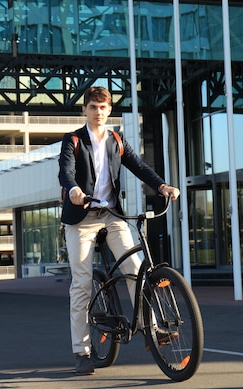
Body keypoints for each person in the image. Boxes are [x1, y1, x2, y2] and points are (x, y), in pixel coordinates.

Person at [58, 86, 180, 376]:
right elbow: (66, 171)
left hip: (111, 215)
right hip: (82, 217)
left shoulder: (116, 140)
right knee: (82, 284)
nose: (98, 112)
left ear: (109, 110)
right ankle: (82, 351)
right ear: (84, 110)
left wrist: (162, 186)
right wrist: (73, 189)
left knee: (135, 269)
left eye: (103, 107)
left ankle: (153, 329)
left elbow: (139, 166)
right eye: (92, 107)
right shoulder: (73, 140)